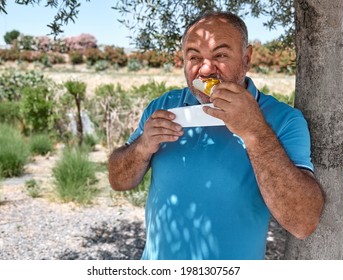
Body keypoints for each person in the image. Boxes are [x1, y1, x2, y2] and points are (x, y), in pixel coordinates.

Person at [108, 11, 324, 260]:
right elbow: (118, 181)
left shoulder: (284, 119)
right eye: (194, 57)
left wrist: (254, 130)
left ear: (247, 58)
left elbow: (303, 222)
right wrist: (142, 147)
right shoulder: (164, 107)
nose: (206, 69)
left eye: (220, 55)